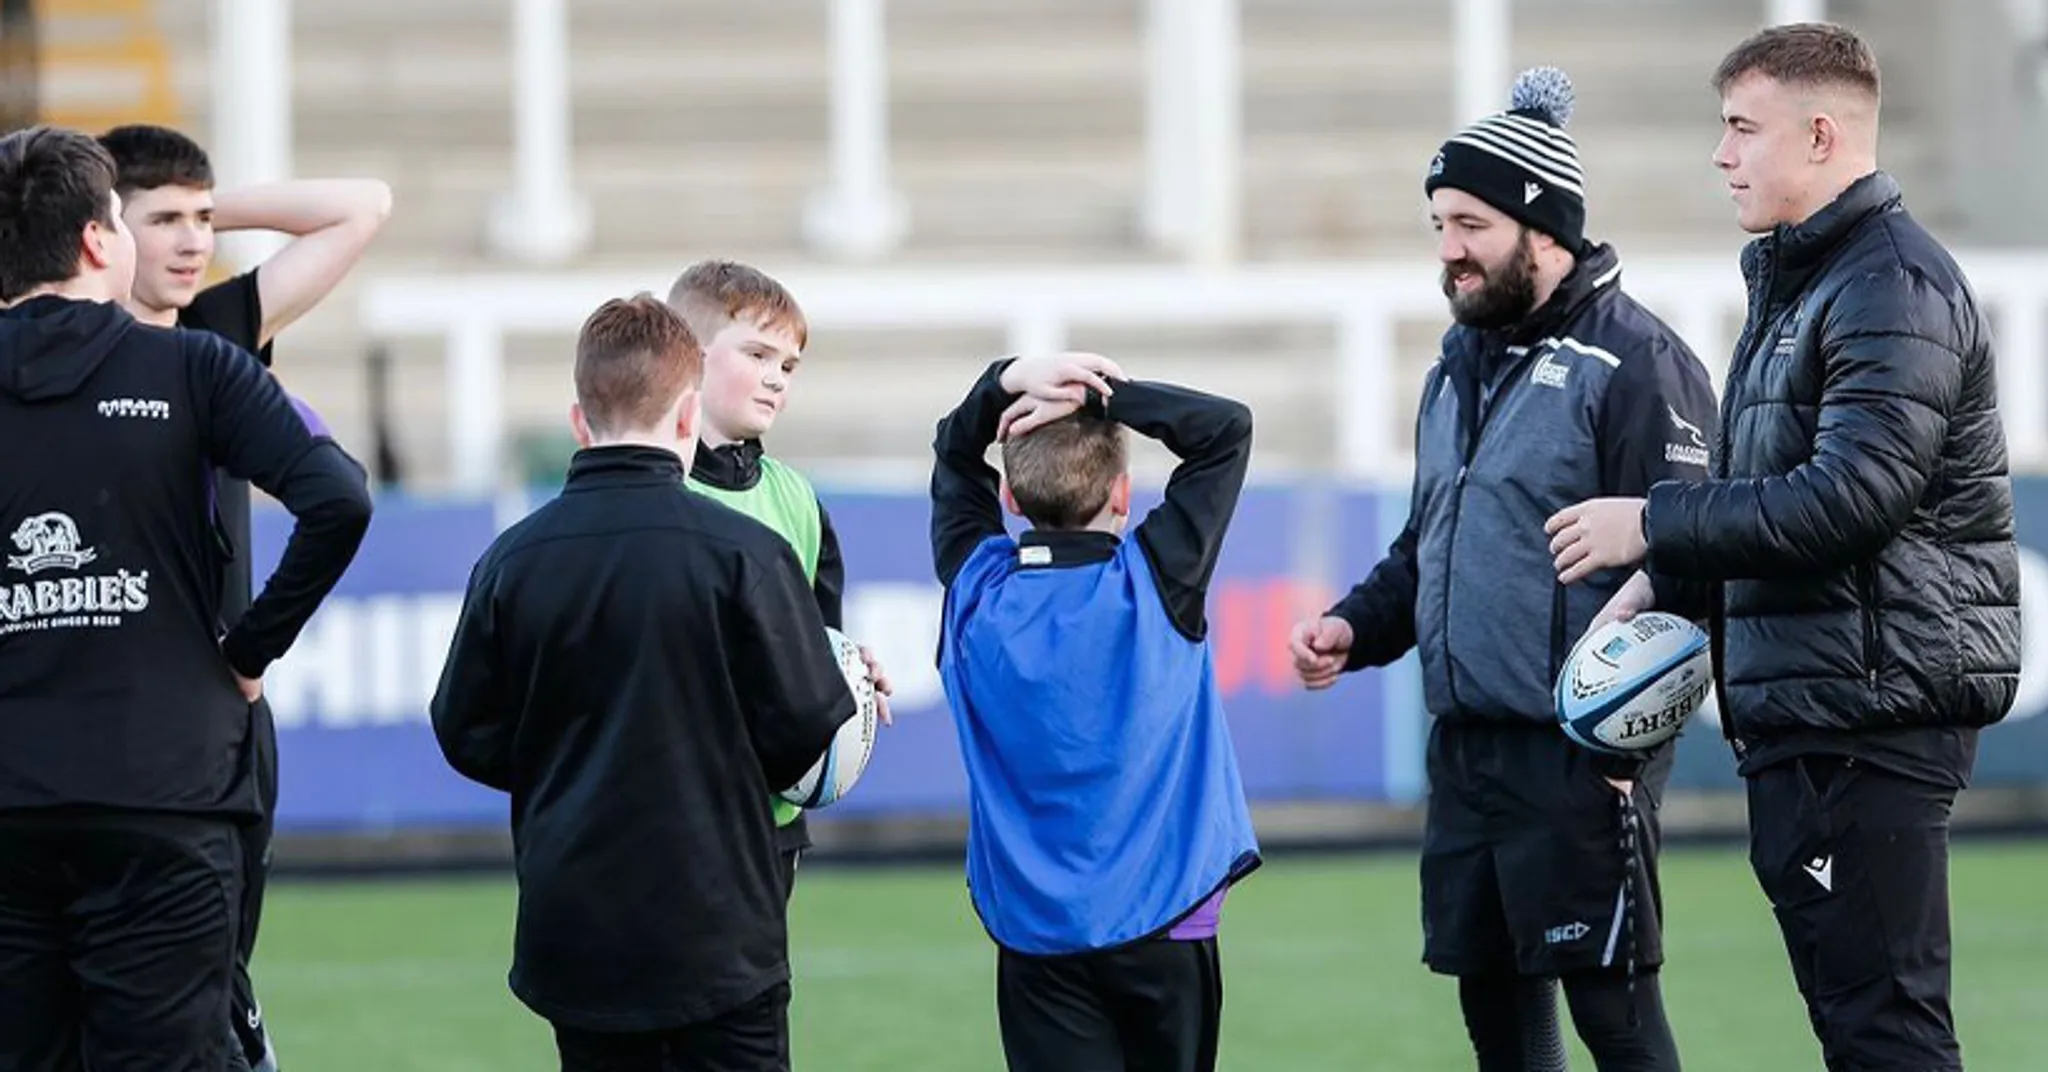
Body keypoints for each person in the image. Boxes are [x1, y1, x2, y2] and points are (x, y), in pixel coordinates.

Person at [1545, 24, 2020, 1072]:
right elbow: (1761, 485)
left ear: (1816, 135)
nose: (1719, 155)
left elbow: (1849, 501)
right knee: (1856, 1027)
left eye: (1738, 128)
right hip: (1814, 711)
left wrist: (1651, 520)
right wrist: (1661, 583)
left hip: (1869, 714)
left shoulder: (1889, 284)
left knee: (1884, 1031)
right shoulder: (1802, 281)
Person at [1287, 67, 1716, 1072]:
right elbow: (1427, 545)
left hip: (1580, 759)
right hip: (1467, 754)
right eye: (1437, 222)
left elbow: (1695, 554)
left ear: (1542, 225)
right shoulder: (1456, 364)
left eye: (1469, 224)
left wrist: (1630, 744)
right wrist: (1355, 626)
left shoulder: (1639, 363)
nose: (1446, 250)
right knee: (1499, 1024)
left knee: (1612, 1019)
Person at [0, 125, 372, 1072]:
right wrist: (249, 650)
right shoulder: (195, 364)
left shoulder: (200, 344)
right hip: (167, 790)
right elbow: (337, 498)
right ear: (99, 240)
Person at [430, 293, 857, 1072]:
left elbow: (466, 731)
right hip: (723, 926)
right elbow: (809, 721)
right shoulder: (746, 553)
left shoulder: (512, 560)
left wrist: (566, 767)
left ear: (578, 419)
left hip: (576, 925)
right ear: (689, 418)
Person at [99, 120, 391, 1072]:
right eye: (166, 219)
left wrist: (214, 204)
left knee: (217, 949)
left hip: (217, 703)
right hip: (94, 703)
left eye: (203, 218)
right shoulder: (52, 354)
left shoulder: (218, 333)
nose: (194, 241)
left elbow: (362, 207)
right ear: (102, 230)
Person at [930, 351, 1261, 1072]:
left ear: (1011, 500)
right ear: (1123, 492)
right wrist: (1106, 395)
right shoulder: (1156, 580)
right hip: (1168, 921)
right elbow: (1226, 430)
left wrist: (1005, 381)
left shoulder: (978, 595)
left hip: (1035, 934)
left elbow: (955, 454)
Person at [665, 259, 893, 900]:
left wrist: (851, 673)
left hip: (771, 824)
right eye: (758, 354)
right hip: (666, 817)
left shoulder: (797, 500)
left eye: (788, 366)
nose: (775, 379)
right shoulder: (651, 491)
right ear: (691, 355)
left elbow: (819, 646)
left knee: (757, 997)